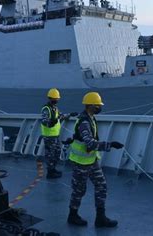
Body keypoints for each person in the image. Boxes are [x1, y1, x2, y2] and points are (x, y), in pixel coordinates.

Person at [67, 92, 124, 228]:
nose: (100, 107)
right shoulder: (84, 122)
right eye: (98, 105)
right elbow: (90, 144)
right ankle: (72, 216)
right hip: (81, 163)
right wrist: (110, 145)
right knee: (79, 190)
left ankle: (100, 218)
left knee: (101, 186)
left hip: (91, 161)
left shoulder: (91, 118)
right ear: (91, 105)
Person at [41, 88, 78, 179]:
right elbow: (44, 121)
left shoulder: (55, 109)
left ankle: (53, 169)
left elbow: (61, 116)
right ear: (50, 98)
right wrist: (50, 122)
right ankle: (50, 172)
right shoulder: (46, 109)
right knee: (50, 154)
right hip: (49, 136)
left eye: (57, 98)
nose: (56, 100)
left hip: (55, 136)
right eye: (55, 98)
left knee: (57, 152)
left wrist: (70, 114)